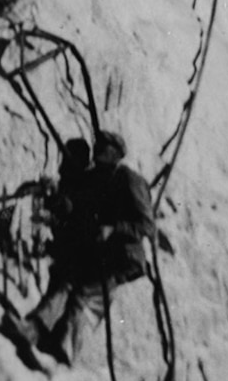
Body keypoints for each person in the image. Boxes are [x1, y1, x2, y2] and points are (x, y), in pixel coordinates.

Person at [13, 131, 163, 365]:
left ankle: (62, 356)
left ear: (115, 154)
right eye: (97, 147)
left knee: (83, 297)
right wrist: (56, 199)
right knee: (67, 283)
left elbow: (147, 226)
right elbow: (75, 207)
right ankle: (34, 329)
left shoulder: (128, 179)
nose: (97, 152)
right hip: (97, 253)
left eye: (103, 148)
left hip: (122, 256)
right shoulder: (94, 180)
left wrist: (114, 229)